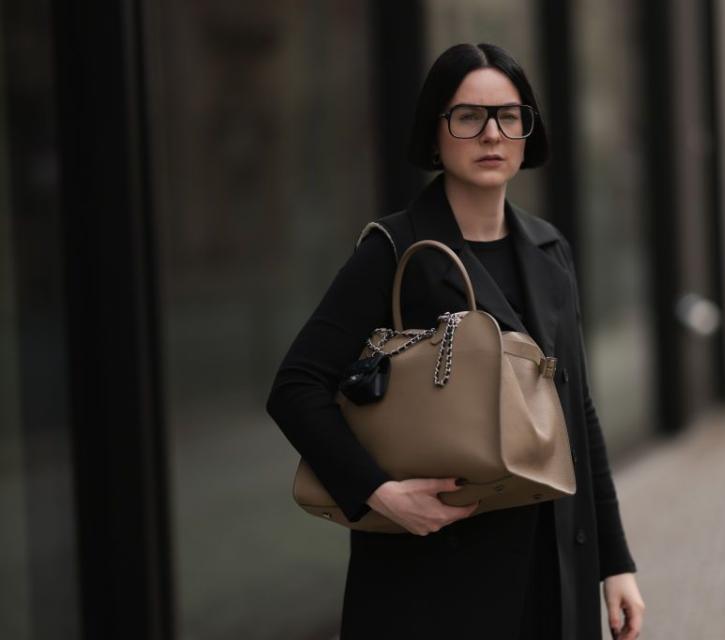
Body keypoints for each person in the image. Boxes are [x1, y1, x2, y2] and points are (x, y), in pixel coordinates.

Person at [265, 42, 645, 640]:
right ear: (435, 133)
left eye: (509, 116)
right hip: (432, 582)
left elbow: (578, 413)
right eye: (468, 117)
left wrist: (614, 561)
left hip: (552, 571)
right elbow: (295, 388)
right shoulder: (394, 250)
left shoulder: (550, 251)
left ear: (527, 131)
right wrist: (378, 494)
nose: (491, 134)